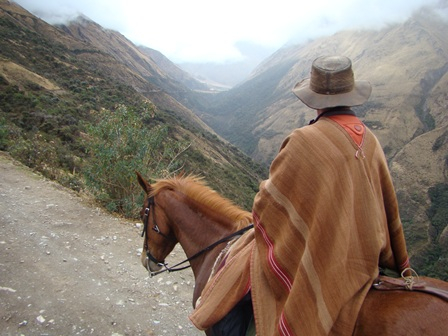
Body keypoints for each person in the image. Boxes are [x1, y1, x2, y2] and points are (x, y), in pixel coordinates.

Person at [190, 55, 411, 335]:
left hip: (323, 255)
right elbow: (387, 205)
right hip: (365, 257)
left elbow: (266, 205)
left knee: (231, 293)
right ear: (351, 96)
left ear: (314, 100)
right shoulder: (370, 138)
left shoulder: (304, 140)